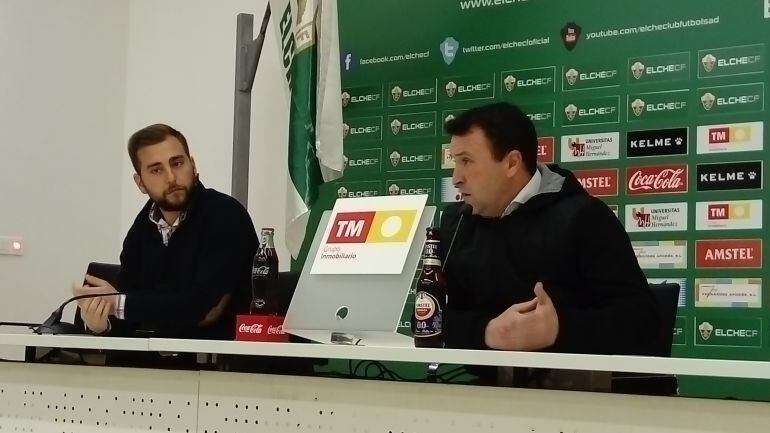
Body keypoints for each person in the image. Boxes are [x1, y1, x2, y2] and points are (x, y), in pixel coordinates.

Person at [440, 102, 660, 362]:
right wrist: (487, 332)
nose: (456, 177)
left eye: (467, 161)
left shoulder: (584, 217)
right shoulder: (457, 222)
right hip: (483, 393)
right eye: (455, 161)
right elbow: (429, 317)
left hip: (579, 394)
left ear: (511, 163)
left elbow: (642, 319)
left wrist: (559, 329)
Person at [72, 124, 258, 340]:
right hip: (157, 363)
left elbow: (201, 308)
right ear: (140, 183)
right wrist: (101, 324)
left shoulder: (226, 215)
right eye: (156, 170)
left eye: (177, 163)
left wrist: (119, 303)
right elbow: (132, 317)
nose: (171, 177)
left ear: (194, 165)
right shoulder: (141, 229)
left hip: (223, 363)